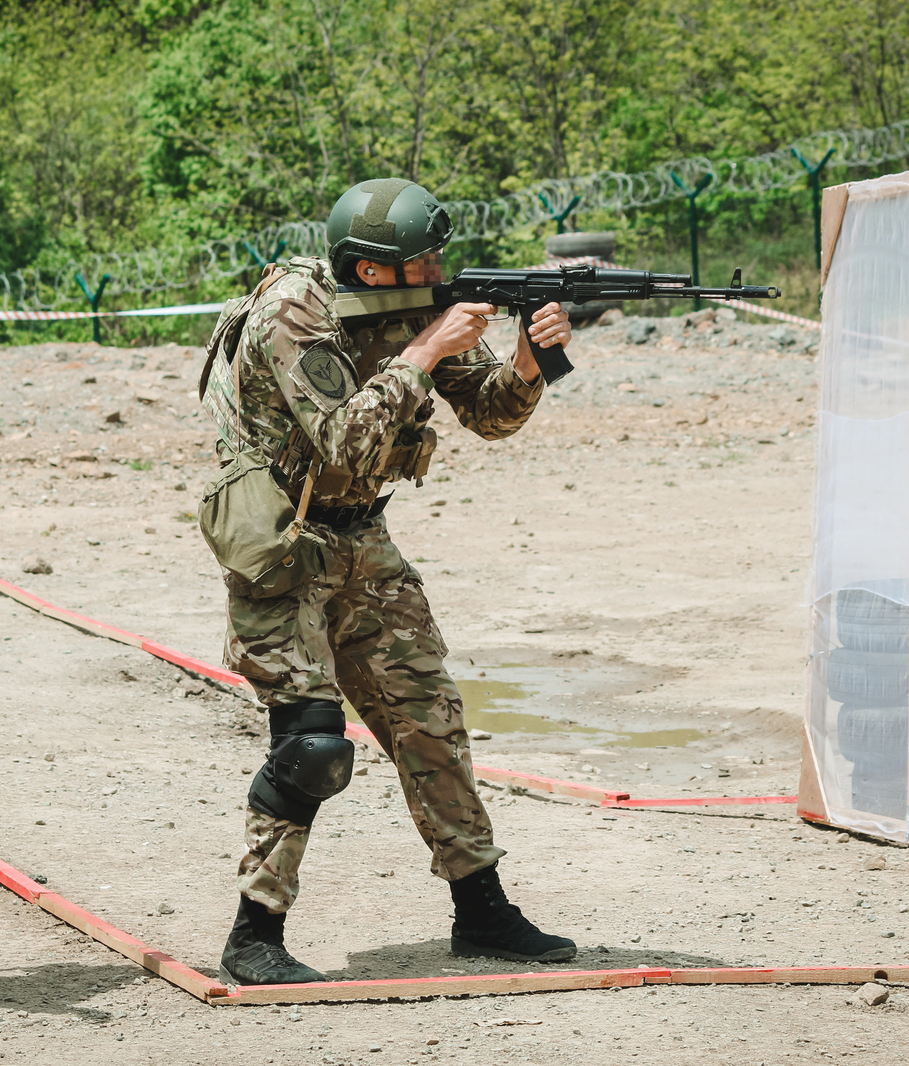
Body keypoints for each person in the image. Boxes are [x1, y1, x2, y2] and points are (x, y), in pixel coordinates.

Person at [199, 178, 577, 985]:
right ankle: (254, 931)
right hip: (281, 542)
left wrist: (527, 358)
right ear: (373, 273)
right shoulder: (295, 314)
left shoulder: (412, 306)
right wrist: (426, 349)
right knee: (311, 744)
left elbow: (490, 414)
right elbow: (342, 441)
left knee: (427, 718)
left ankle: (481, 910)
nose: (440, 269)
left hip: (360, 539)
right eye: (425, 260)